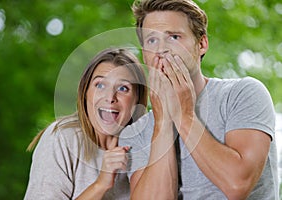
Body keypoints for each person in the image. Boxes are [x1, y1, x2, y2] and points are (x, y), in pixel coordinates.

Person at [119, 0, 279, 199]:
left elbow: (237, 185)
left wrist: (183, 115)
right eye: (152, 40)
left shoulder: (242, 94)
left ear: (201, 44)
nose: (161, 50)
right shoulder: (135, 132)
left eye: (174, 37)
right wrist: (163, 122)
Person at [24, 47, 148, 200]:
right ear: (85, 92)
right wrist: (101, 184)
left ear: (137, 100)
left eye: (123, 88)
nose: (110, 97)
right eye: (100, 85)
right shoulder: (62, 138)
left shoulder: (145, 147)